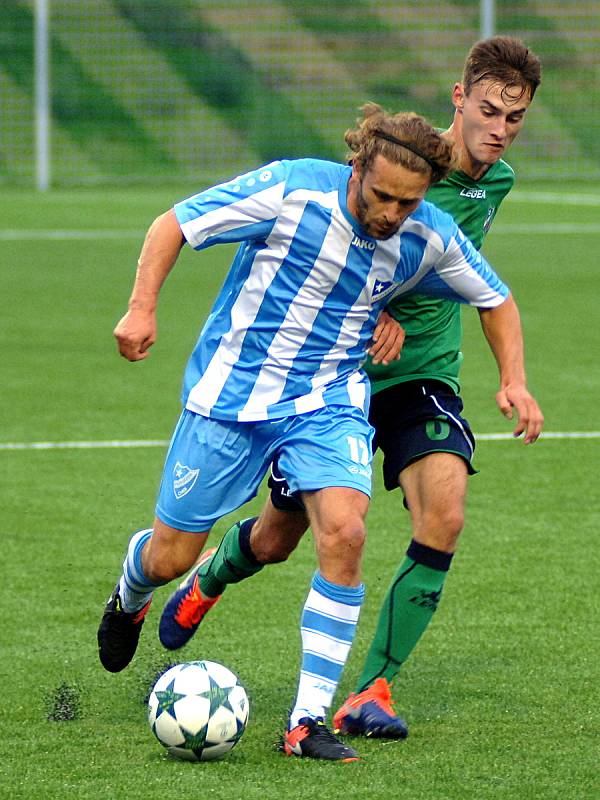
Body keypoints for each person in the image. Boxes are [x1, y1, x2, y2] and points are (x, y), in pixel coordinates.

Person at [157, 36, 544, 748]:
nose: (499, 129)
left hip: (422, 376)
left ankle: (368, 689)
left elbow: (465, 276)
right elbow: (342, 242)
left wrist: (512, 379)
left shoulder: (499, 182)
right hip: (336, 376)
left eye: (515, 119)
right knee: (277, 540)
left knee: (445, 512)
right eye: (488, 111)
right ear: (458, 99)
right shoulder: (395, 166)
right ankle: (209, 578)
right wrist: (375, 304)